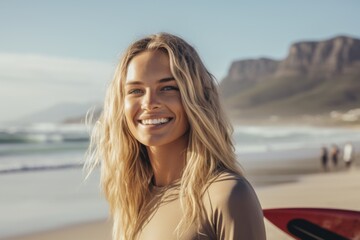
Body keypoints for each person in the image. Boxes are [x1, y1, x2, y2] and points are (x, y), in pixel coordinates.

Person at [86, 33, 266, 240]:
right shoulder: (132, 198)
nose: (149, 102)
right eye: (136, 90)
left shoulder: (226, 195)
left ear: (196, 99)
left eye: (168, 88)